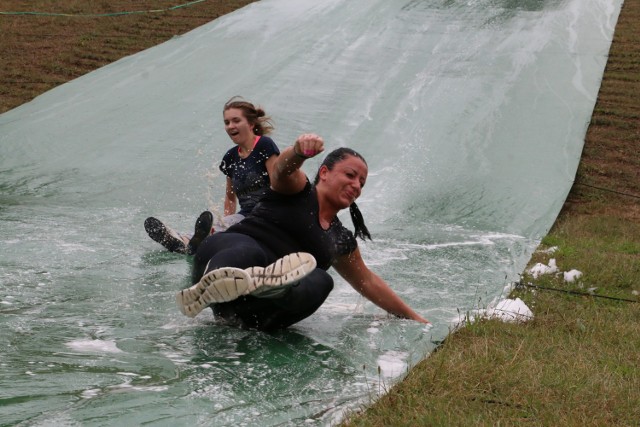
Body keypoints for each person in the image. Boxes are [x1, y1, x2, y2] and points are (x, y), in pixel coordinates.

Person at [175, 134, 429, 331]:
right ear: (325, 173)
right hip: (225, 255)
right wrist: (298, 152)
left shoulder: (341, 239)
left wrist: (414, 318)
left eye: (361, 183)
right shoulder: (299, 190)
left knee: (321, 280)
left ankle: (274, 288)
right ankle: (211, 284)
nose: (356, 185)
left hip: (254, 310)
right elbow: (280, 170)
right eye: (350, 175)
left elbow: (369, 282)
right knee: (247, 251)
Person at [144, 97, 280, 254]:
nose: (231, 126)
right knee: (220, 225)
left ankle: (200, 240)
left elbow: (277, 184)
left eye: (236, 120)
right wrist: (227, 222)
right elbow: (230, 197)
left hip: (269, 214)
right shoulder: (230, 157)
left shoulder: (264, 145)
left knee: (232, 227)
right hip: (246, 216)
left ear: (251, 124)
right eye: (227, 122)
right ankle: (183, 241)